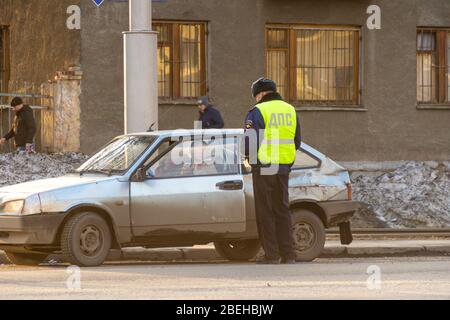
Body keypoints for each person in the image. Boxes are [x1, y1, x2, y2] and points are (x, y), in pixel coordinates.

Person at [244, 78, 301, 265]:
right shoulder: (290, 110)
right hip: (283, 167)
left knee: (265, 212)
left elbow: (250, 141)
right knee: (282, 210)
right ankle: (289, 254)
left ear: (260, 94)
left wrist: (252, 163)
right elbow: (297, 141)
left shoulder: (258, 111)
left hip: (265, 167)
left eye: (255, 95)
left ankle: (272, 254)